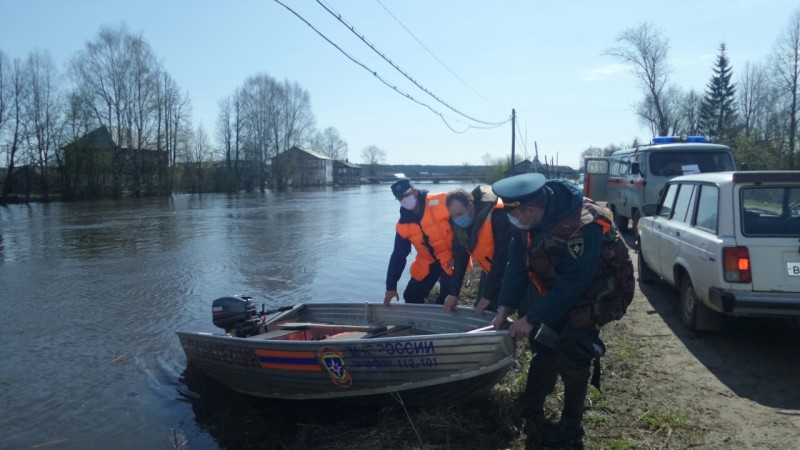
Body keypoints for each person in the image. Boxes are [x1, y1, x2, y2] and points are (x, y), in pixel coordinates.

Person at [490, 173, 627, 447]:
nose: (511, 219)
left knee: (573, 350)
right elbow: (517, 266)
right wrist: (503, 310)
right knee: (545, 341)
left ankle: (571, 425)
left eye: (514, 213)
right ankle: (531, 403)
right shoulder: (526, 222)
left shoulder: (582, 225)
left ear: (529, 210)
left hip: (600, 290)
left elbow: (575, 282)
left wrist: (531, 318)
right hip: (559, 286)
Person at [442, 185, 511, 315]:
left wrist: (489, 295)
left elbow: (501, 259)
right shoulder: (459, 226)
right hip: (489, 269)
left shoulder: (497, 216)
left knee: (520, 309)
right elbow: (460, 259)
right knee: (482, 308)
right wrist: (453, 293)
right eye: (453, 216)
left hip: (514, 267)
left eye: (459, 214)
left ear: (470, 206)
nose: (457, 219)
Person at [384, 178, 454, 305]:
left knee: (445, 300)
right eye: (400, 198)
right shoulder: (402, 225)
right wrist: (391, 287)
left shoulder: (443, 201)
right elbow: (398, 256)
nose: (403, 199)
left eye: (406, 195)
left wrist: (458, 254)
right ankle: (420, 322)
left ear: (415, 191)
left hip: (451, 258)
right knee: (410, 295)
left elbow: (464, 229)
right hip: (427, 261)